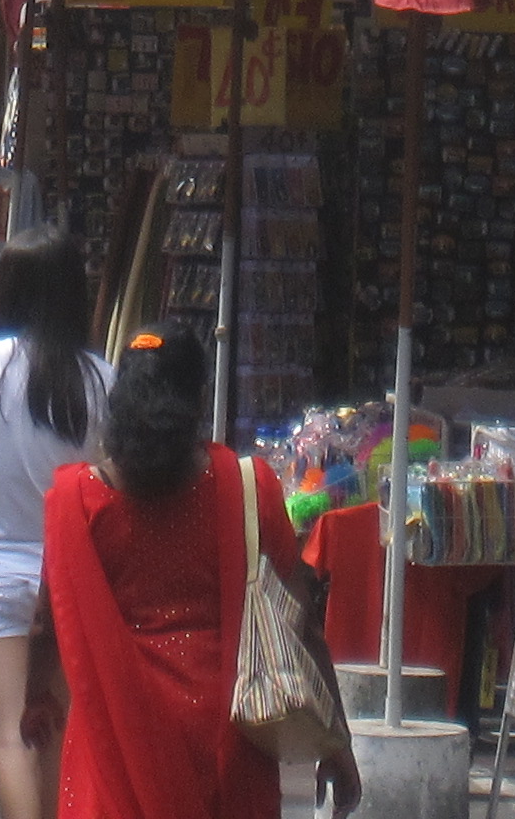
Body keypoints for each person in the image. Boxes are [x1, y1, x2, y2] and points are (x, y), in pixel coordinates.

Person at [39, 324, 355, 819]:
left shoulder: (77, 502)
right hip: (228, 731)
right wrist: (337, 742)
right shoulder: (248, 486)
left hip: (116, 731)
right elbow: (301, 621)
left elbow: (48, 623)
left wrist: (37, 698)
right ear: (196, 399)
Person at [0, 228, 108, 819]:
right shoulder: (100, 379)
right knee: (55, 735)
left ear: (6, 291)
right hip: (71, 579)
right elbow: (104, 487)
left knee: (10, 738)